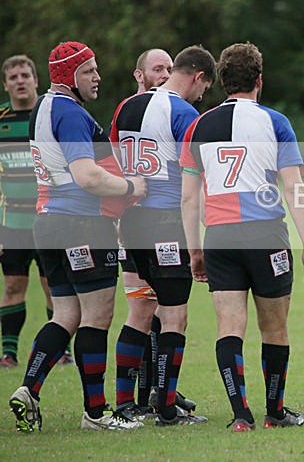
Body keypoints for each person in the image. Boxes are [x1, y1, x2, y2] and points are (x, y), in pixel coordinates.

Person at [9, 41, 147, 432]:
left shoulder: (42, 108)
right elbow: (87, 176)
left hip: (48, 223)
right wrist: (130, 187)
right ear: (70, 77)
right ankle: (96, 413)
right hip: (80, 223)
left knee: (67, 314)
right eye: (89, 70)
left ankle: (28, 389)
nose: (97, 77)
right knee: (97, 316)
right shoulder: (69, 112)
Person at [181, 42, 304, 431]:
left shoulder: (197, 125)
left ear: (222, 82)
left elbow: (189, 196)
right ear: (259, 80)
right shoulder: (275, 121)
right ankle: (275, 412)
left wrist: (195, 248)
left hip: (220, 237)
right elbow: (294, 189)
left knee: (230, 326)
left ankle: (241, 416)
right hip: (265, 235)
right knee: (274, 327)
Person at [111, 45, 214, 427]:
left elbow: (114, 160)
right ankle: (167, 410)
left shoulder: (125, 107)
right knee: (174, 317)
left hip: (130, 220)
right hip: (167, 223)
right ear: (198, 77)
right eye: (203, 89)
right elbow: (195, 177)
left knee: (140, 311)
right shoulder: (185, 113)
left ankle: (124, 406)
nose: (201, 97)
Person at [0, 55, 70, 368]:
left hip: (49, 217)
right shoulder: (1, 120)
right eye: (13, 77)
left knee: (52, 286)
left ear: (36, 80)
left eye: (25, 75)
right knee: (13, 286)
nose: (20, 80)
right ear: (5, 84)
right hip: (11, 221)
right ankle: (9, 354)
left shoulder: (48, 115)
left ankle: (61, 351)